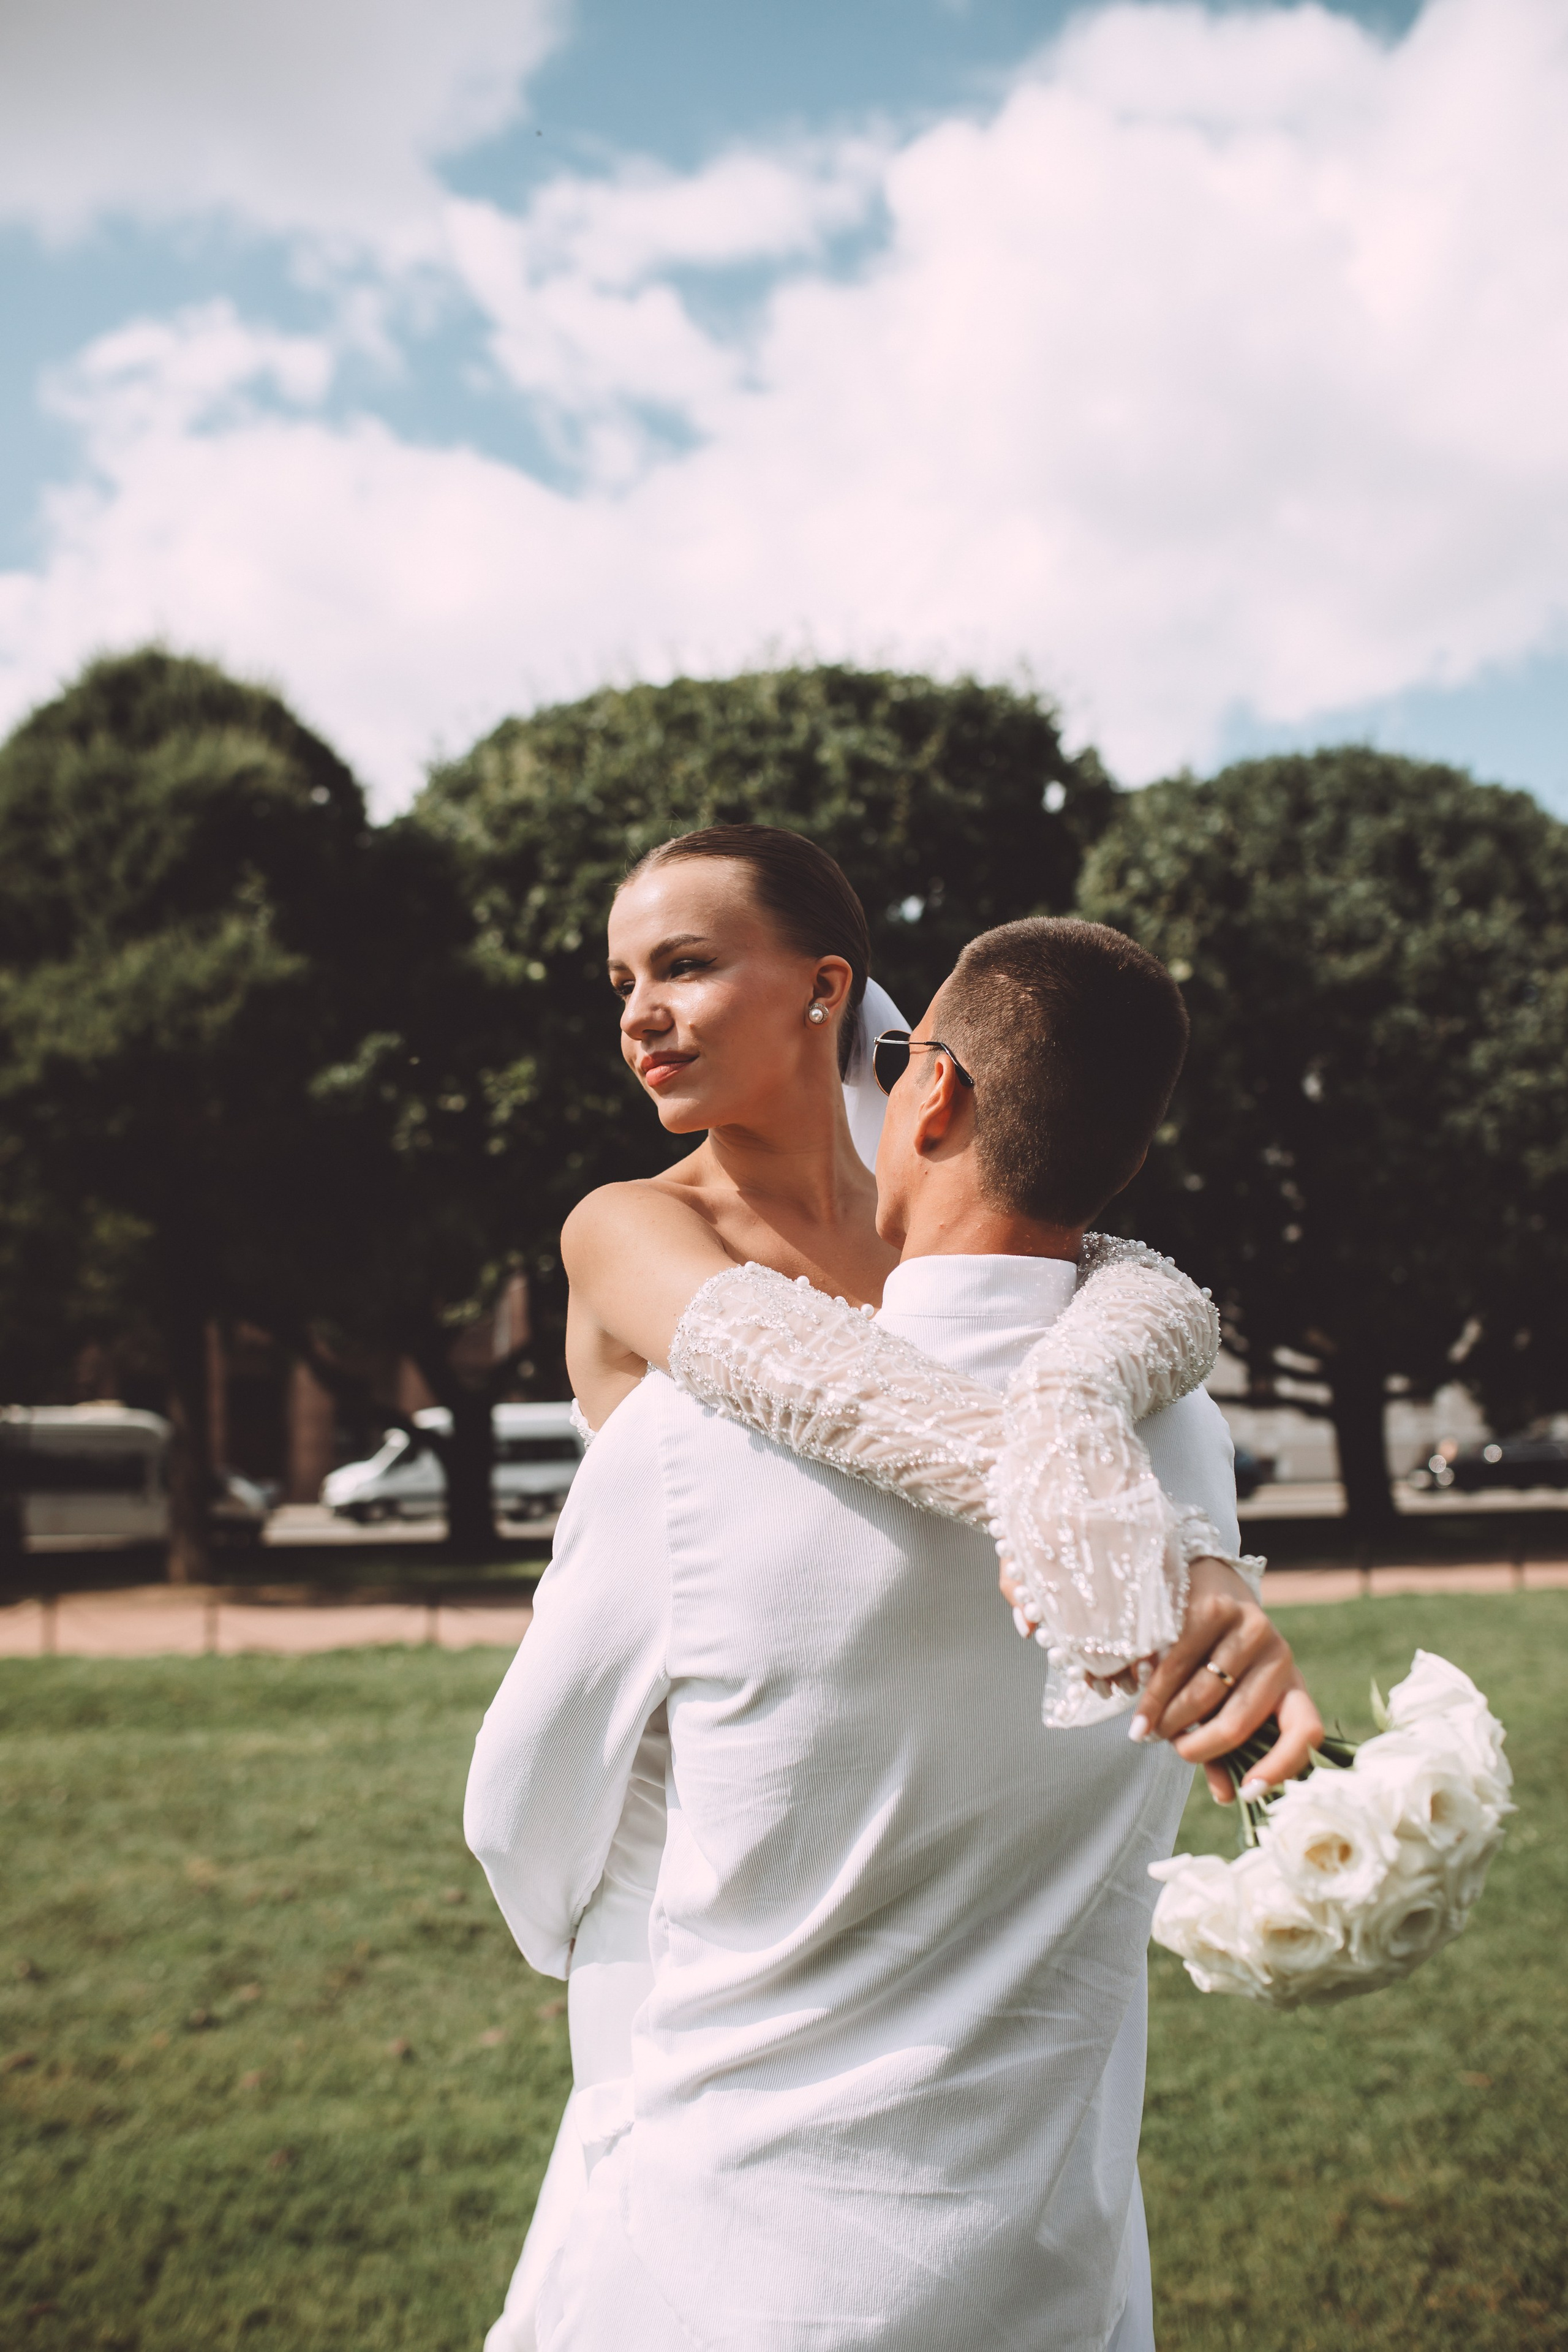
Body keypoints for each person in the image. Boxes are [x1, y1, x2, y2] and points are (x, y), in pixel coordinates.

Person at [467, 829, 1321, 2350]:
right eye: (620, 980)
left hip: (952, 1780)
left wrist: (1157, 1533)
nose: (639, 1012)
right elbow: (836, 1392)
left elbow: (1133, 1290)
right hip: (708, 1822)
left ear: (825, 989)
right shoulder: (629, 1228)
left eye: (683, 965)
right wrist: (1160, 1549)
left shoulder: (943, 1180)